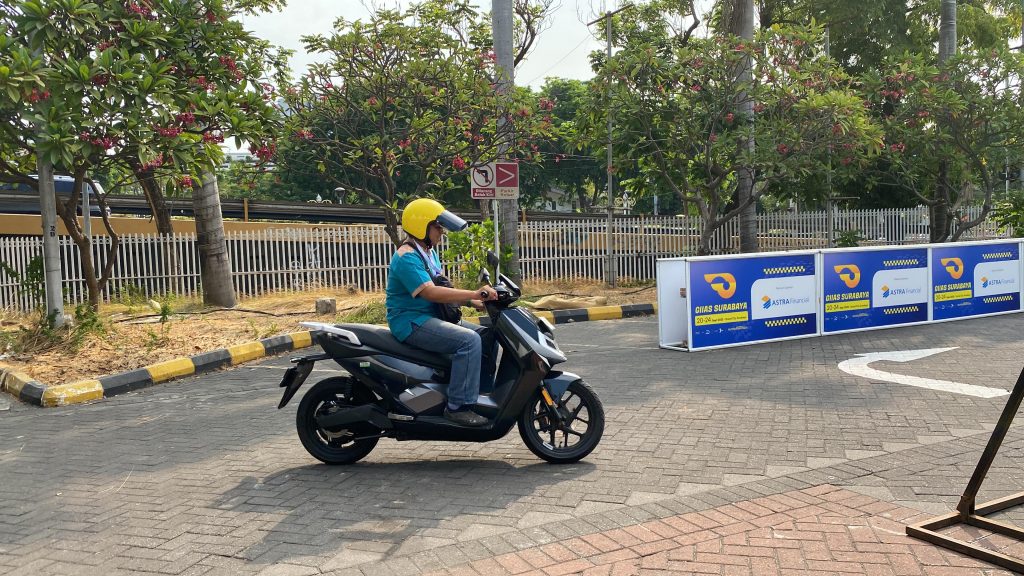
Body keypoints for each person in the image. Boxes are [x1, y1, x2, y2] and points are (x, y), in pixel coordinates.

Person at [386, 198, 498, 427]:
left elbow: (443, 290)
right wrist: (474, 294)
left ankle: (478, 395)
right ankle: (458, 407)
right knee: (469, 341)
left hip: (431, 318)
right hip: (410, 322)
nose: (442, 232)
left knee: (488, 337)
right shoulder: (406, 256)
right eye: (438, 227)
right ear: (421, 226)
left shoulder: (428, 253)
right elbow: (431, 293)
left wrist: (472, 302)